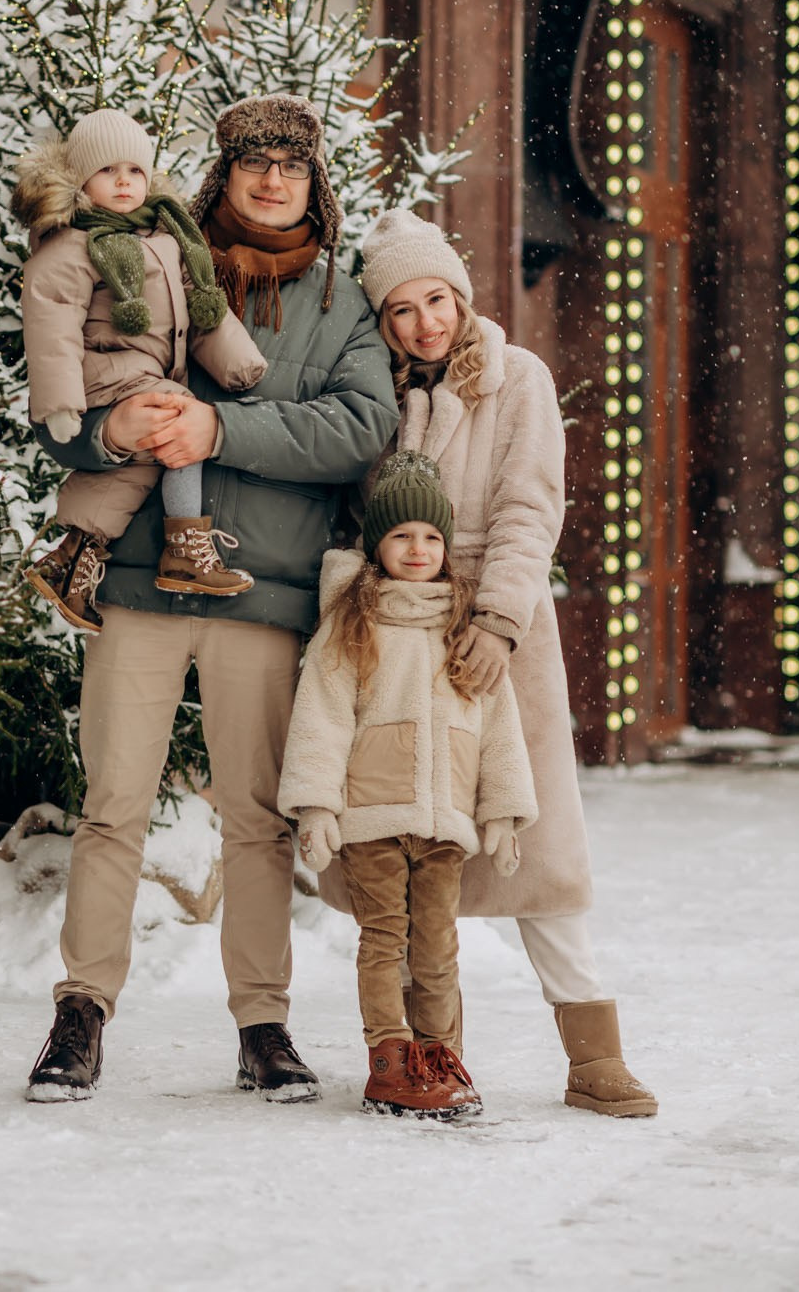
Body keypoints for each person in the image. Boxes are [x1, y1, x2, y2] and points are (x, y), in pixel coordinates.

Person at [23, 94, 398, 1103]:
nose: (271, 180)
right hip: (144, 584)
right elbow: (67, 398)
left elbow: (361, 426)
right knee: (111, 809)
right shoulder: (146, 260)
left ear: (313, 183)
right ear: (221, 176)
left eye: (289, 165)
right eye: (250, 164)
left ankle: (262, 1025)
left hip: (264, 595)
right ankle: (79, 1013)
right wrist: (110, 436)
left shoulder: (342, 301)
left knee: (257, 821)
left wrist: (223, 434)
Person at [333, 208, 657, 1117]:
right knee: (409, 847)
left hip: (495, 634)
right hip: (397, 635)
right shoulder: (377, 393)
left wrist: (501, 619)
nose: (422, 323)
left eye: (434, 298)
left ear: (460, 293)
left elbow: (529, 507)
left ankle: (594, 1054)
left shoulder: (518, 379)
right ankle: (434, 1055)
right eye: (398, 309)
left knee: (536, 845)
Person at [277, 452, 537, 1119]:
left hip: (446, 818)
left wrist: (502, 812)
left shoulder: (464, 623)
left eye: (430, 536)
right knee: (384, 940)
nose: (417, 549)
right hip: (372, 817)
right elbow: (323, 714)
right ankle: (390, 1059)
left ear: (446, 546)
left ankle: (439, 1055)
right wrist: (317, 805)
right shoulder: (354, 621)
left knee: (438, 947)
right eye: (400, 535)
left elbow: (498, 724)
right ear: (377, 546)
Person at [14, 109, 269, 630]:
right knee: (181, 419)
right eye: (108, 171)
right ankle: (184, 547)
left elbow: (201, 308)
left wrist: (238, 362)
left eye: (135, 170)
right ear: (81, 180)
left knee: (144, 452)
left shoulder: (165, 235)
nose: (125, 181)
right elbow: (51, 328)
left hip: (144, 372)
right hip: (99, 370)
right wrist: (60, 404)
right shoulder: (72, 244)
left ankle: (71, 561)